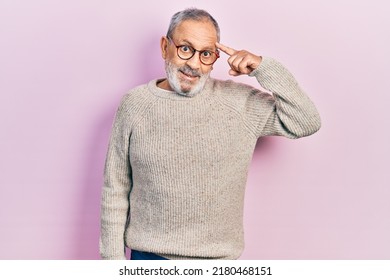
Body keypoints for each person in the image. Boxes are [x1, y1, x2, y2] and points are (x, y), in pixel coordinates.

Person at [100, 8, 321, 260]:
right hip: (149, 257)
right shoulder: (134, 104)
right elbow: (115, 187)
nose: (194, 64)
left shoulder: (239, 103)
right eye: (185, 48)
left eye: (206, 54)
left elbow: (306, 121)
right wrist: (112, 264)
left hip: (218, 262)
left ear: (215, 58)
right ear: (165, 47)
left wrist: (262, 67)